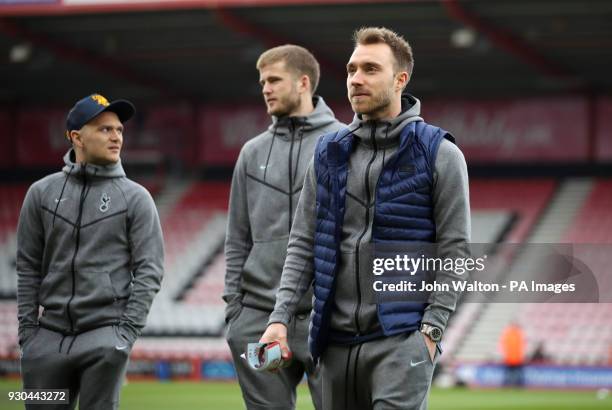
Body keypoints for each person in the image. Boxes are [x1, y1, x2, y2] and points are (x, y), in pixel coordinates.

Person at [261, 27, 470, 409]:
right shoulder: (328, 153)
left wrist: (430, 333)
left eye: (370, 69)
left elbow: (456, 251)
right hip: (333, 348)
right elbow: (303, 242)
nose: (356, 79)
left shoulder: (439, 154)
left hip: (401, 343)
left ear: (400, 78)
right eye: (351, 69)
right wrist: (279, 318)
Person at [17, 93, 164, 410]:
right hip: (46, 343)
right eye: (104, 129)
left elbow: (150, 270)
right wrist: (29, 336)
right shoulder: (40, 193)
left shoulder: (136, 198)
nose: (116, 137)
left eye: (119, 130)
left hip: (104, 339)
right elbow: (28, 267)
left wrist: (123, 337)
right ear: (76, 137)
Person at [223, 44, 344, 410]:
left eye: (274, 80)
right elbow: (237, 238)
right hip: (259, 320)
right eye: (263, 82)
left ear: (303, 82)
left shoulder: (342, 144)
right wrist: (236, 314)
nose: (266, 88)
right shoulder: (252, 153)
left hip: (329, 321)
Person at [500, 321, 526, 387]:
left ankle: (516, 384)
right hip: (511, 358)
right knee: (511, 373)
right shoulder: (517, 334)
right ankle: (509, 384)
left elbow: (522, 346)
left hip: (516, 358)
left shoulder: (514, 334)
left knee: (515, 373)